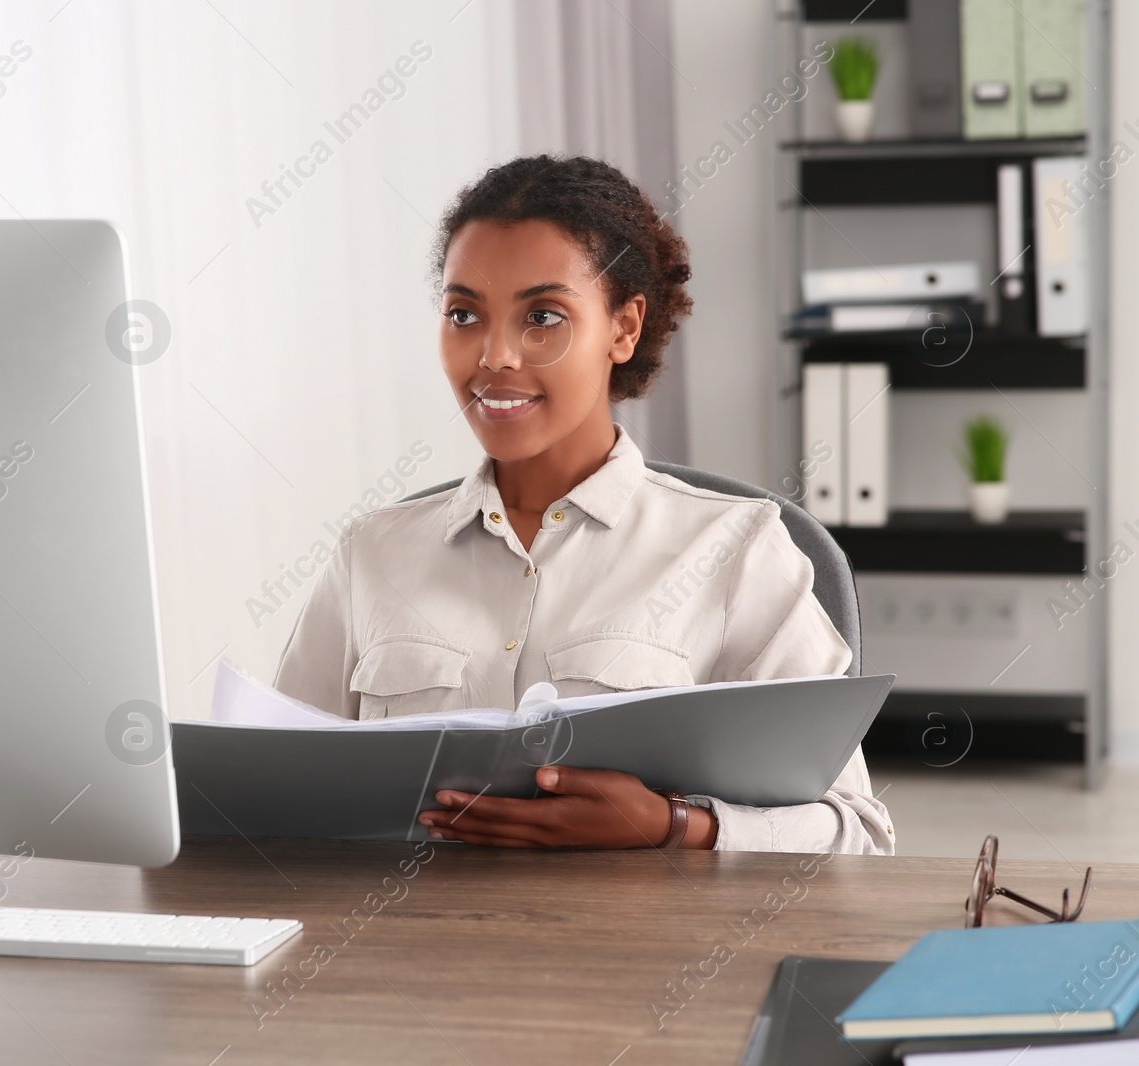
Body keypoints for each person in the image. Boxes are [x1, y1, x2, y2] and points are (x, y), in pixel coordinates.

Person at [272, 154, 893, 854]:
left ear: (623, 329)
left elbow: (859, 834)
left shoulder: (736, 548)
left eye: (542, 316)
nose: (496, 354)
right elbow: (271, 797)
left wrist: (674, 826)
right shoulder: (371, 555)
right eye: (464, 313)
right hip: (408, 949)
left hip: (636, 958)